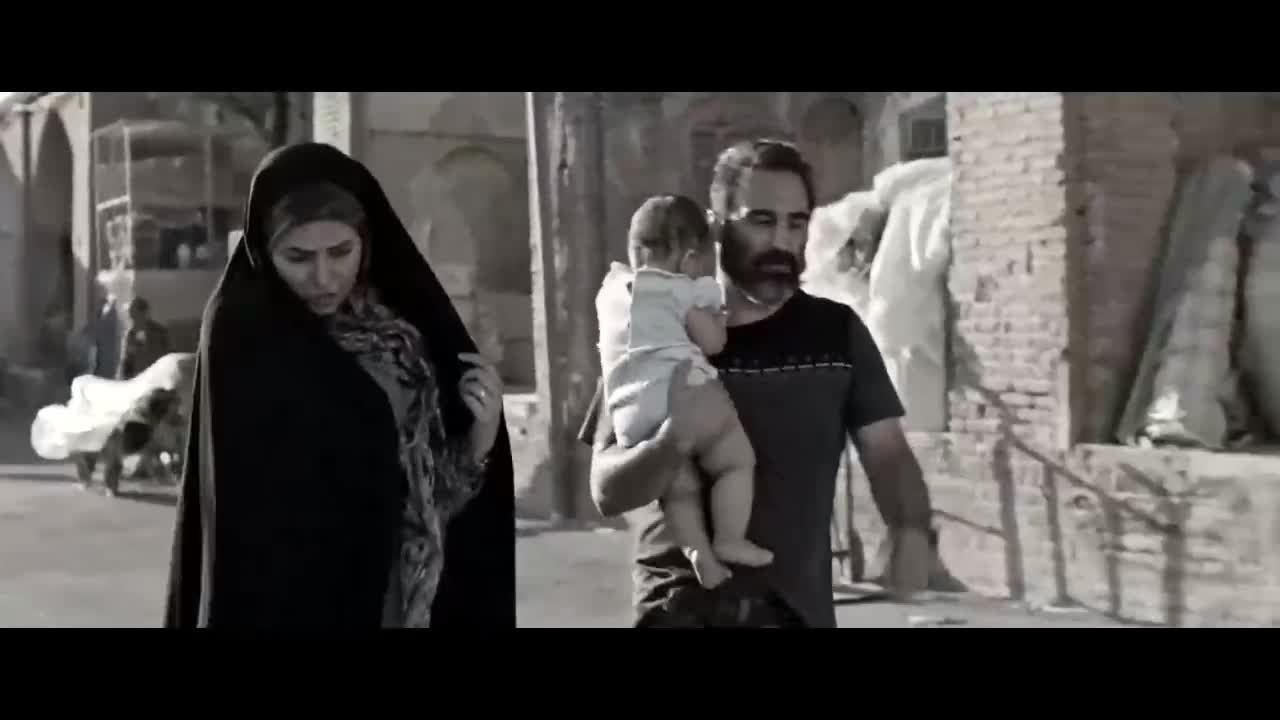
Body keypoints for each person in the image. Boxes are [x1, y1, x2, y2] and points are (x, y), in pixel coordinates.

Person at [580, 139, 934, 628]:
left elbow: (888, 452)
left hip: (791, 616)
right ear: (716, 226)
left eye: (797, 223)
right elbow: (607, 491)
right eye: (761, 221)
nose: (782, 242)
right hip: (677, 612)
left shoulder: (836, 334)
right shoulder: (655, 327)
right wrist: (672, 440)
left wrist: (910, 529)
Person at [164, 142, 516, 628]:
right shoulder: (243, 338)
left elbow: (424, 494)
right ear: (264, 251)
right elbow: (244, 529)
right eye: (298, 257)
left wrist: (480, 437)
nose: (323, 277)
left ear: (366, 243)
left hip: (398, 600)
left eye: (340, 252)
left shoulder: (401, 340)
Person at [596, 194, 771, 589]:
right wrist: (675, 434)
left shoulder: (614, 294)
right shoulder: (683, 292)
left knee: (679, 491)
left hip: (632, 411)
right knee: (735, 460)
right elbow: (713, 342)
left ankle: (701, 556)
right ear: (692, 259)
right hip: (687, 391)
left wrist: (667, 440)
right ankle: (729, 539)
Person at [117, 296, 170, 380]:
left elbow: (165, 356)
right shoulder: (131, 335)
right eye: (131, 316)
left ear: (144, 313)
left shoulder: (159, 332)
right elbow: (128, 360)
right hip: (138, 379)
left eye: (135, 315)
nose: (133, 319)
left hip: (157, 377)